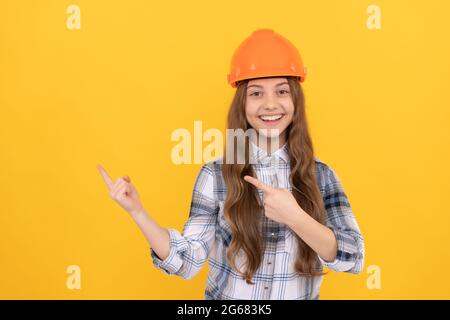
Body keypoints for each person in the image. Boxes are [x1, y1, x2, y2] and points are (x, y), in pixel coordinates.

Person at [97, 29, 364, 300]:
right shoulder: (215, 175)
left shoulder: (321, 175)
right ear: (243, 105)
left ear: (295, 99)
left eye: (281, 91)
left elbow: (353, 257)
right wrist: (137, 211)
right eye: (256, 93)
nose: (270, 104)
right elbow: (186, 262)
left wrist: (296, 218)